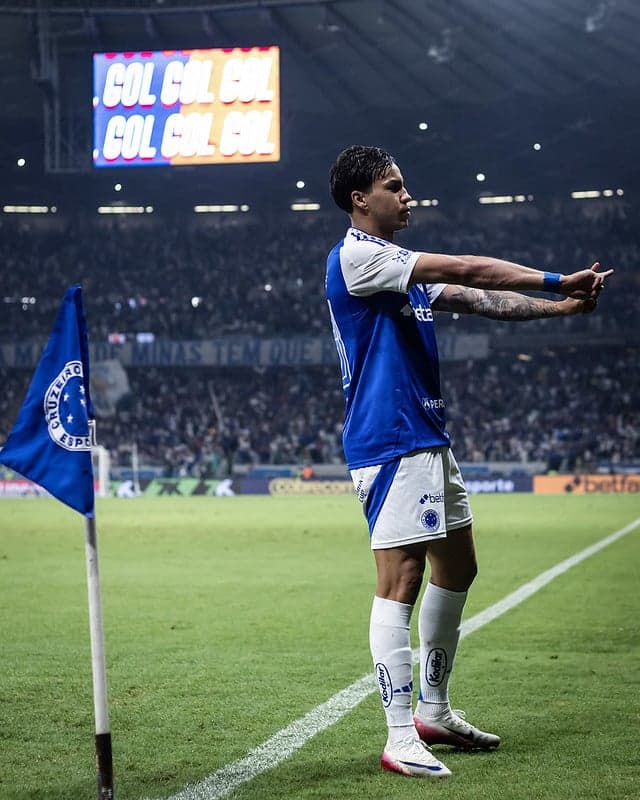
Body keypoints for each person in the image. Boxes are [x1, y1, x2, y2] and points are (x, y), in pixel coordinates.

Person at [325, 145, 612, 780]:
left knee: (458, 567)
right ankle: (400, 735)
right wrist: (554, 279)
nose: (407, 198)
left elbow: (480, 300)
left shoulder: (403, 270)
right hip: (390, 439)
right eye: (394, 188)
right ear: (359, 200)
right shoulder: (359, 257)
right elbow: (471, 268)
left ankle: (433, 710)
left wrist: (561, 309)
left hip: (427, 435)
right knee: (400, 581)